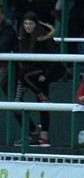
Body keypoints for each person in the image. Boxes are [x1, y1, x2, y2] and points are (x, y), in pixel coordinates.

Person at [14, 11, 60, 148]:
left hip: (44, 73)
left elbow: (55, 59)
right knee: (17, 103)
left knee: (41, 101)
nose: (28, 26)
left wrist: (45, 75)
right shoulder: (23, 38)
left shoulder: (43, 37)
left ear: (36, 24)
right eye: (26, 23)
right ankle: (36, 133)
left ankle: (44, 135)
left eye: (31, 23)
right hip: (32, 74)